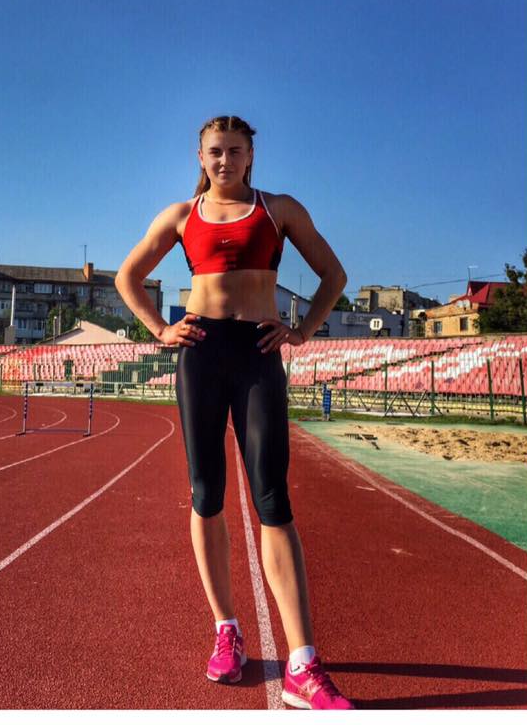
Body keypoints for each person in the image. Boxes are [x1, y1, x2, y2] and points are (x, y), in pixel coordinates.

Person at [115, 114, 355, 710]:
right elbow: (128, 277)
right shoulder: (180, 216)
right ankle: (226, 629)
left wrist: (302, 330)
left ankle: (302, 664)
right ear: (201, 157)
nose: (224, 160)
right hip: (200, 353)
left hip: (256, 353)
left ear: (251, 156)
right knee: (206, 494)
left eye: (235, 151)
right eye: (215, 152)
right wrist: (160, 329)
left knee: (272, 498)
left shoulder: (279, 210)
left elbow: (334, 275)